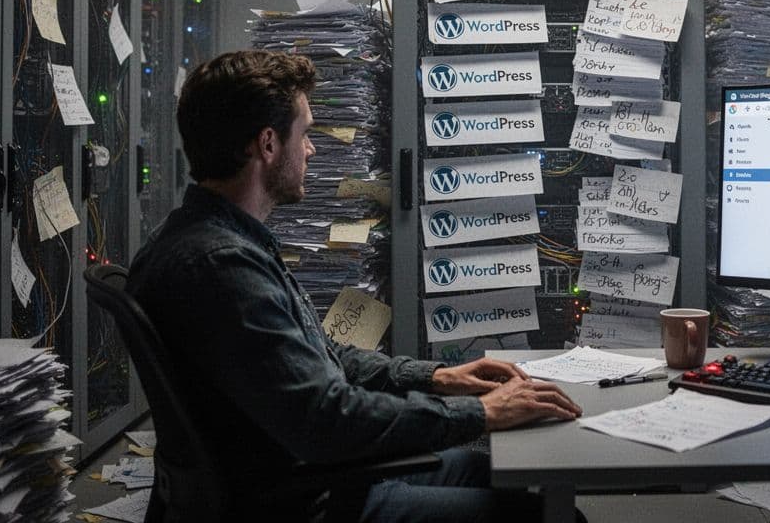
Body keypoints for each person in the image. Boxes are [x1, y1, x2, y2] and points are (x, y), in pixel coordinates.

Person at [128, 49, 583, 522]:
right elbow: (327, 418)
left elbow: (324, 359)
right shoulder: (221, 268)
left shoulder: (209, 240)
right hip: (302, 499)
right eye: (304, 133)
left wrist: (436, 377)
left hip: (295, 476)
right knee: (553, 517)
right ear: (267, 144)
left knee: (482, 469)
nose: (311, 149)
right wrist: (481, 414)